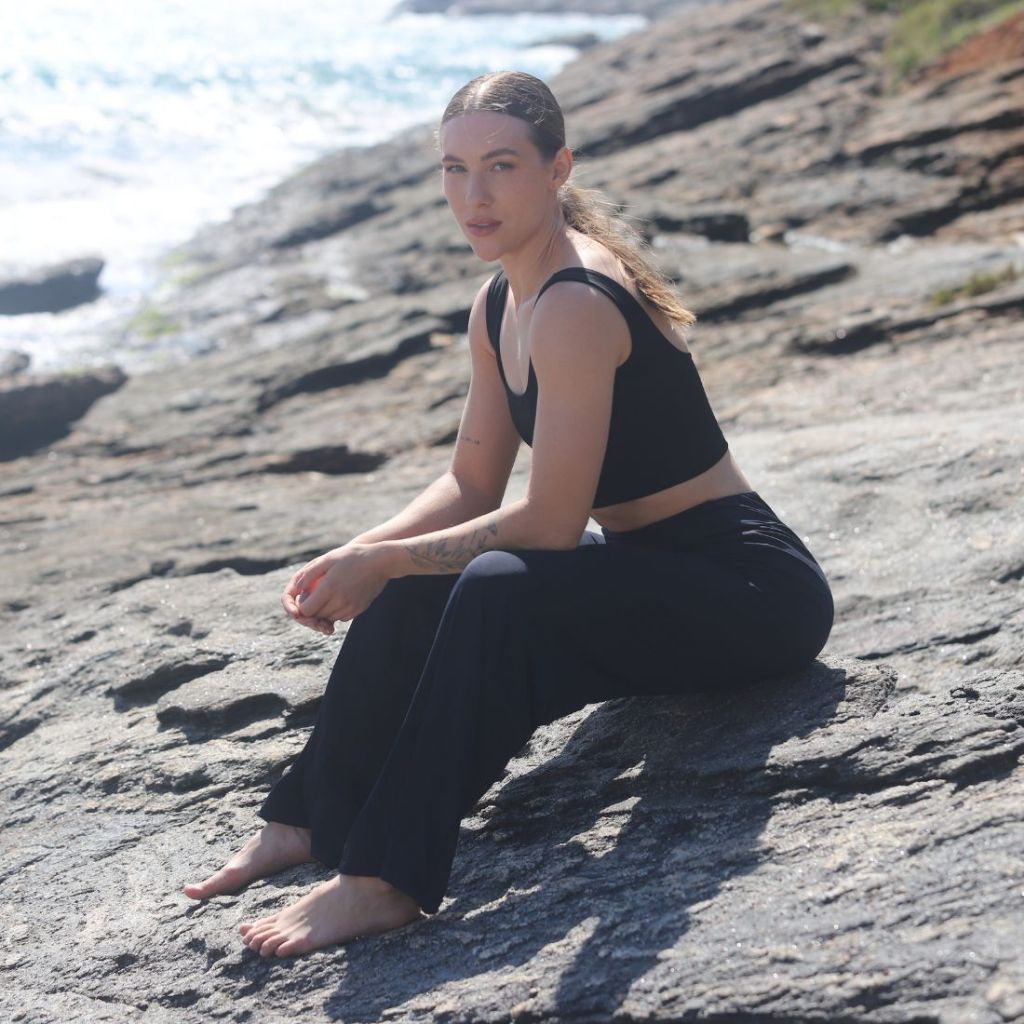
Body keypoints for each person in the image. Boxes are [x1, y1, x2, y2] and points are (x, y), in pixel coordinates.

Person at [183, 70, 834, 958]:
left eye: (500, 166)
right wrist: (361, 553)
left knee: (489, 582)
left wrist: (389, 560)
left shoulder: (575, 302)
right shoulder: (499, 302)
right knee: (416, 576)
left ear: (557, 168)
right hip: (648, 575)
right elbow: (471, 483)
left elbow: (551, 525)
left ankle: (384, 881)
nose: (474, 197)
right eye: (454, 170)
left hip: (750, 592)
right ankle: (307, 821)